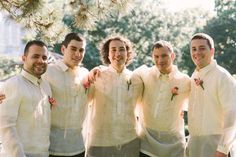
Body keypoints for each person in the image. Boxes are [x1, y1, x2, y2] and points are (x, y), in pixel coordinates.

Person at [84, 35, 143, 157]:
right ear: (108, 54)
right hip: (100, 142)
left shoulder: (136, 79)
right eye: (113, 50)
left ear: (127, 53)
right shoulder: (97, 76)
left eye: (122, 49)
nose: (118, 53)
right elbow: (83, 103)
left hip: (129, 141)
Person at [133, 40, 190, 157]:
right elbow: (125, 74)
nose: (160, 60)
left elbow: (196, 104)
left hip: (174, 146)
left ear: (172, 56)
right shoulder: (144, 73)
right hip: (146, 143)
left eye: (164, 56)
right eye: (156, 56)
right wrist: (98, 69)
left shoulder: (185, 81)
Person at [187, 33, 236, 157]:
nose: (197, 52)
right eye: (194, 49)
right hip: (195, 147)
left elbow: (232, 116)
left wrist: (223, 149)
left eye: (202, 48)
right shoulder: (194, 76)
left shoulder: (222, 76)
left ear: (212, 51)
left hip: (217, 148)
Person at [0, 40, 52, 157]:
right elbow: (6, 127)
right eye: (35, 56)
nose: (41, 61)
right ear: (24, 58)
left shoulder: (46, 86)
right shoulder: (14, 84)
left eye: (44, 57)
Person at [43, 33, 89, 157]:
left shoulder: (85, 74)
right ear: (63, 49)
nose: (78, 54)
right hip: (52, 147)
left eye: (81, 50)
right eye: (73, 49)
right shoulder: (48, 71)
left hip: (79, 146)